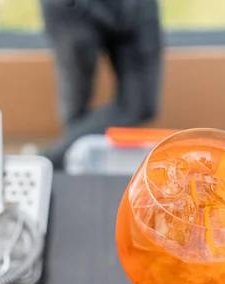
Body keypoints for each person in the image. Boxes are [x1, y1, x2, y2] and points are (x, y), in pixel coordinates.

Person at [40, 0, 163, 169]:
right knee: (75, 112)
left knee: (142, 105)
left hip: (136, 7)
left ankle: (48, 160)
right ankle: (55, 167)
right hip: (71, 8)